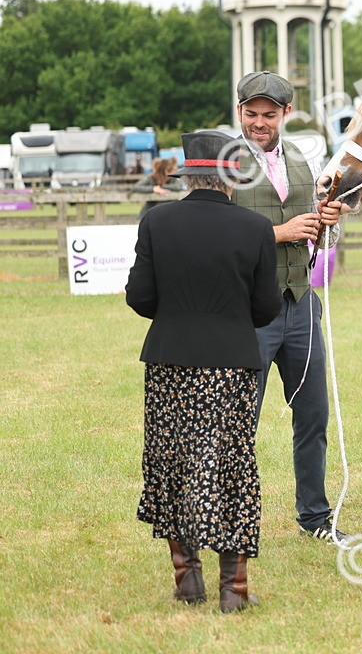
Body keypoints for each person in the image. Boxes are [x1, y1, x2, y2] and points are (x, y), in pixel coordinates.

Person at [125, 131, 281, 613]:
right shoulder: (255, 228)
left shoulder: (156, 221)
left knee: (173, 463)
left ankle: (186, 579)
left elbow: (140, 297)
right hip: (231, 363)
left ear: (187, 176)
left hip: (170, 361)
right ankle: (233, 591)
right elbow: (266, 307)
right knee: (230, 467)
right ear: (230, 178)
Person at [231, 71, 351, 542]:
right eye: (251, 113)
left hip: (301, 304)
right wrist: (277, 233)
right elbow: (214, 236)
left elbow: (323, 238)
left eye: (269, 114)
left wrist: (328, 222)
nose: (259, 123)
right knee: (240, 421)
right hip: (248, 311)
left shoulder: (303, 160)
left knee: (313, 417)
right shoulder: (224, 166)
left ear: (285, 114)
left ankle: (315, 519)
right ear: (239, 111)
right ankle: (234, 521)